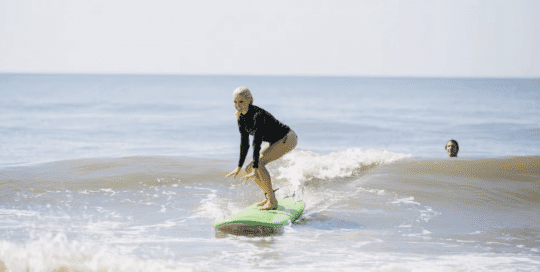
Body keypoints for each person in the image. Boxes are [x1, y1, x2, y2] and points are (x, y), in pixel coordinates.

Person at [225, 87, 298, 210]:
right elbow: (244, 142)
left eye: (241, 101)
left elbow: (257, 142)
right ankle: (269, 197)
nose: (237, 105)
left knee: (258, 165)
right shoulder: (241, 117)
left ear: (249, 100)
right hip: (274, 140)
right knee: (249, 169)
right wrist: (239, 166)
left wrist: (256, 166)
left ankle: (272, 201)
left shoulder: (257, 115)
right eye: (235, 102)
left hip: (287, 138)